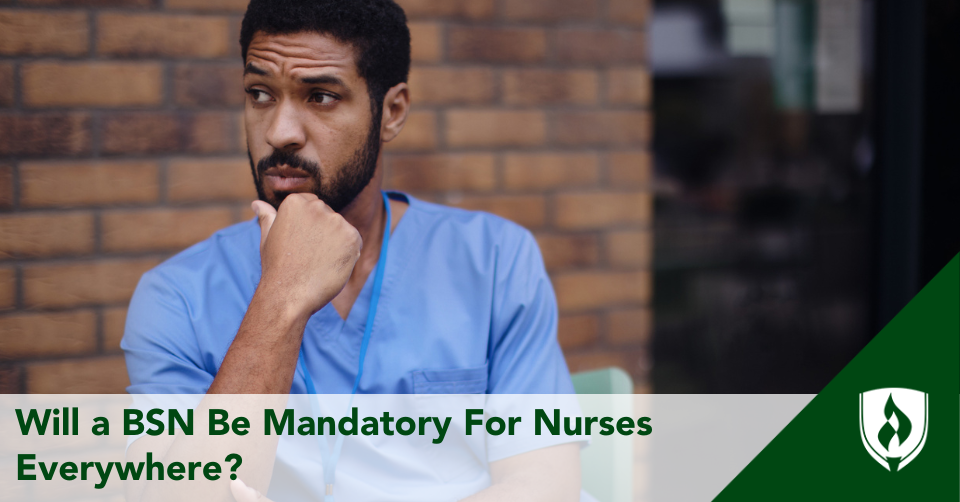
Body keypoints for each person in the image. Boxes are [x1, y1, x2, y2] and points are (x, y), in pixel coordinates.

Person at [121, 0, 581, 500]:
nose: (280, 132)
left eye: (320, 96)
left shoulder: (493, 259)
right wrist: (282, 298)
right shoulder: (177, 297)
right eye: (259, 94)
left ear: (392, 111)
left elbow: (542, 483)